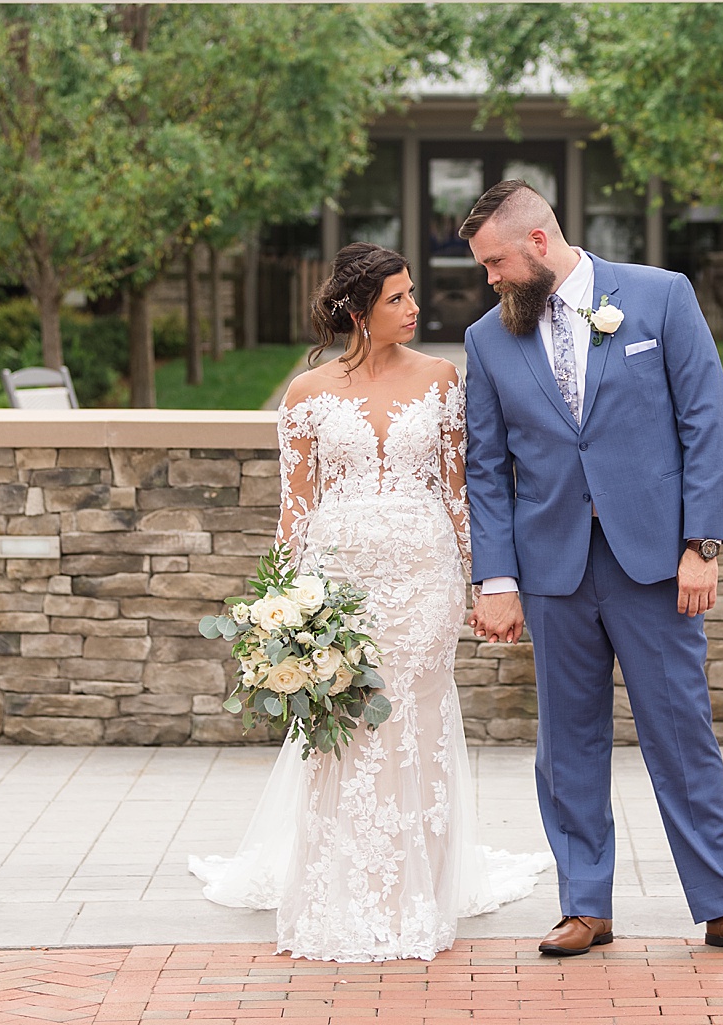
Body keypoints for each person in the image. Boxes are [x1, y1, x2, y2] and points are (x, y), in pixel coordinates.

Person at [460, 181, 723, 959]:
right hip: (553, 572)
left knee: (682, 734)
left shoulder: (660, 297)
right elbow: (486, 469)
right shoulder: (488, 339)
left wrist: (702, 544)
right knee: (565, 743)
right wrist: (498, 578)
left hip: (655, 564)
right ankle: (585, 905)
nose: (490, 280)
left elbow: (706, 420)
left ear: (538, 243)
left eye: (495, 262)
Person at [189, 242, 549, 963]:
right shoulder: (305, 394)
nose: (416, 308)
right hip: (338, 583)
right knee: (346, 722)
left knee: (416, 720)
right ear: (357, 311)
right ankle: (342, 882)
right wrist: (283, 607)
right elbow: (295, 509)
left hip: (424, 579)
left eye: (413, 294)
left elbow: (459, 490)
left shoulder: (443, 378)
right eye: (398, 299)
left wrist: (482, 581)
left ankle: (421, 882)